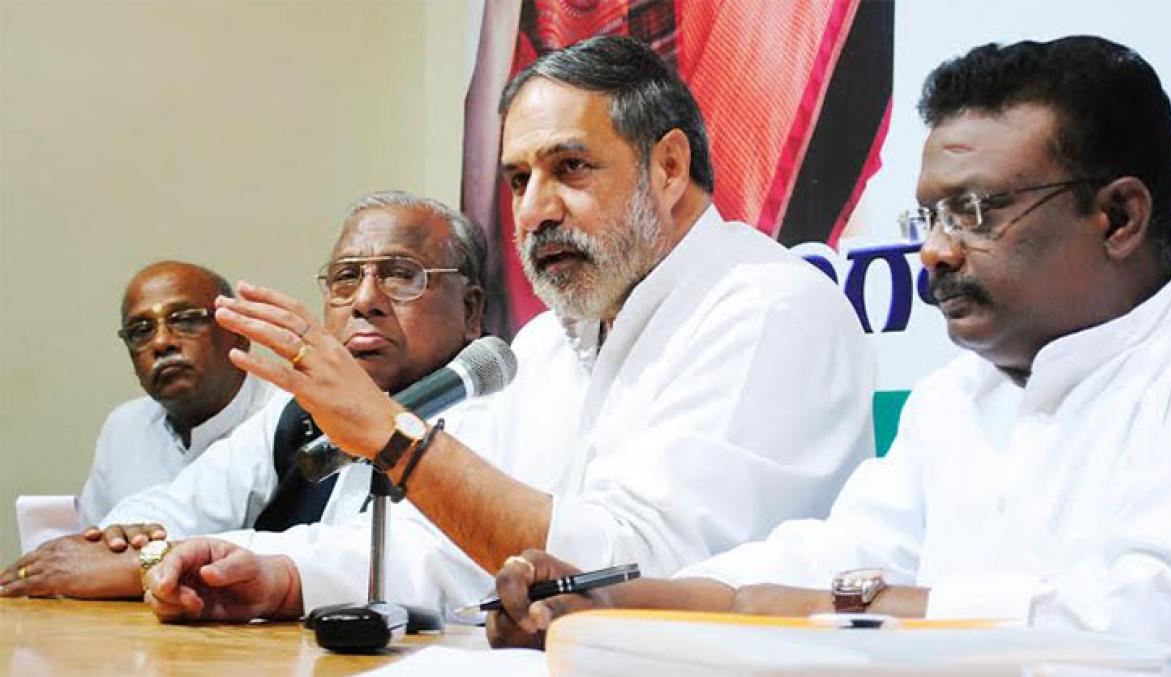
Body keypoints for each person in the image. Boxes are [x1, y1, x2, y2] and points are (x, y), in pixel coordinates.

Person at [486, 36, 1171, 649]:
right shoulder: (956, 398)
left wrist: (862, 605)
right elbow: (835, 555)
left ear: (1118, 216)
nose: (935, 252)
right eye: (929, 217)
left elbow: (1160, 615)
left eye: (974, 212)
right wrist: (617, 602)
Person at [139, 35, 875, 623]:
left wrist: (391, 434)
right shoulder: (550, 344)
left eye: (570, 167)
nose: (533, 211)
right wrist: (279, 576)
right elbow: (449, 549)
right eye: (519, 179)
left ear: (670, 167)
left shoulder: (769, 306)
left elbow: (637, 569)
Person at [0, 191, 487, 600]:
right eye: (346, 277)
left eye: (401, 274)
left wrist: (155, 561)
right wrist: (124, 538)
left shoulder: (496, 413)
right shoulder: (299, 412)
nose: (364, 301)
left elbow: (386, 558)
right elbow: (183, 502)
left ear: (471, 310)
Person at [74, 262, 278, 526]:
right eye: (141, 331)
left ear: (238, 333)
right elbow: (93, 540)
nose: (161, 342)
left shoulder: (286, 421)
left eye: (185, 320)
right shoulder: (124, 428)